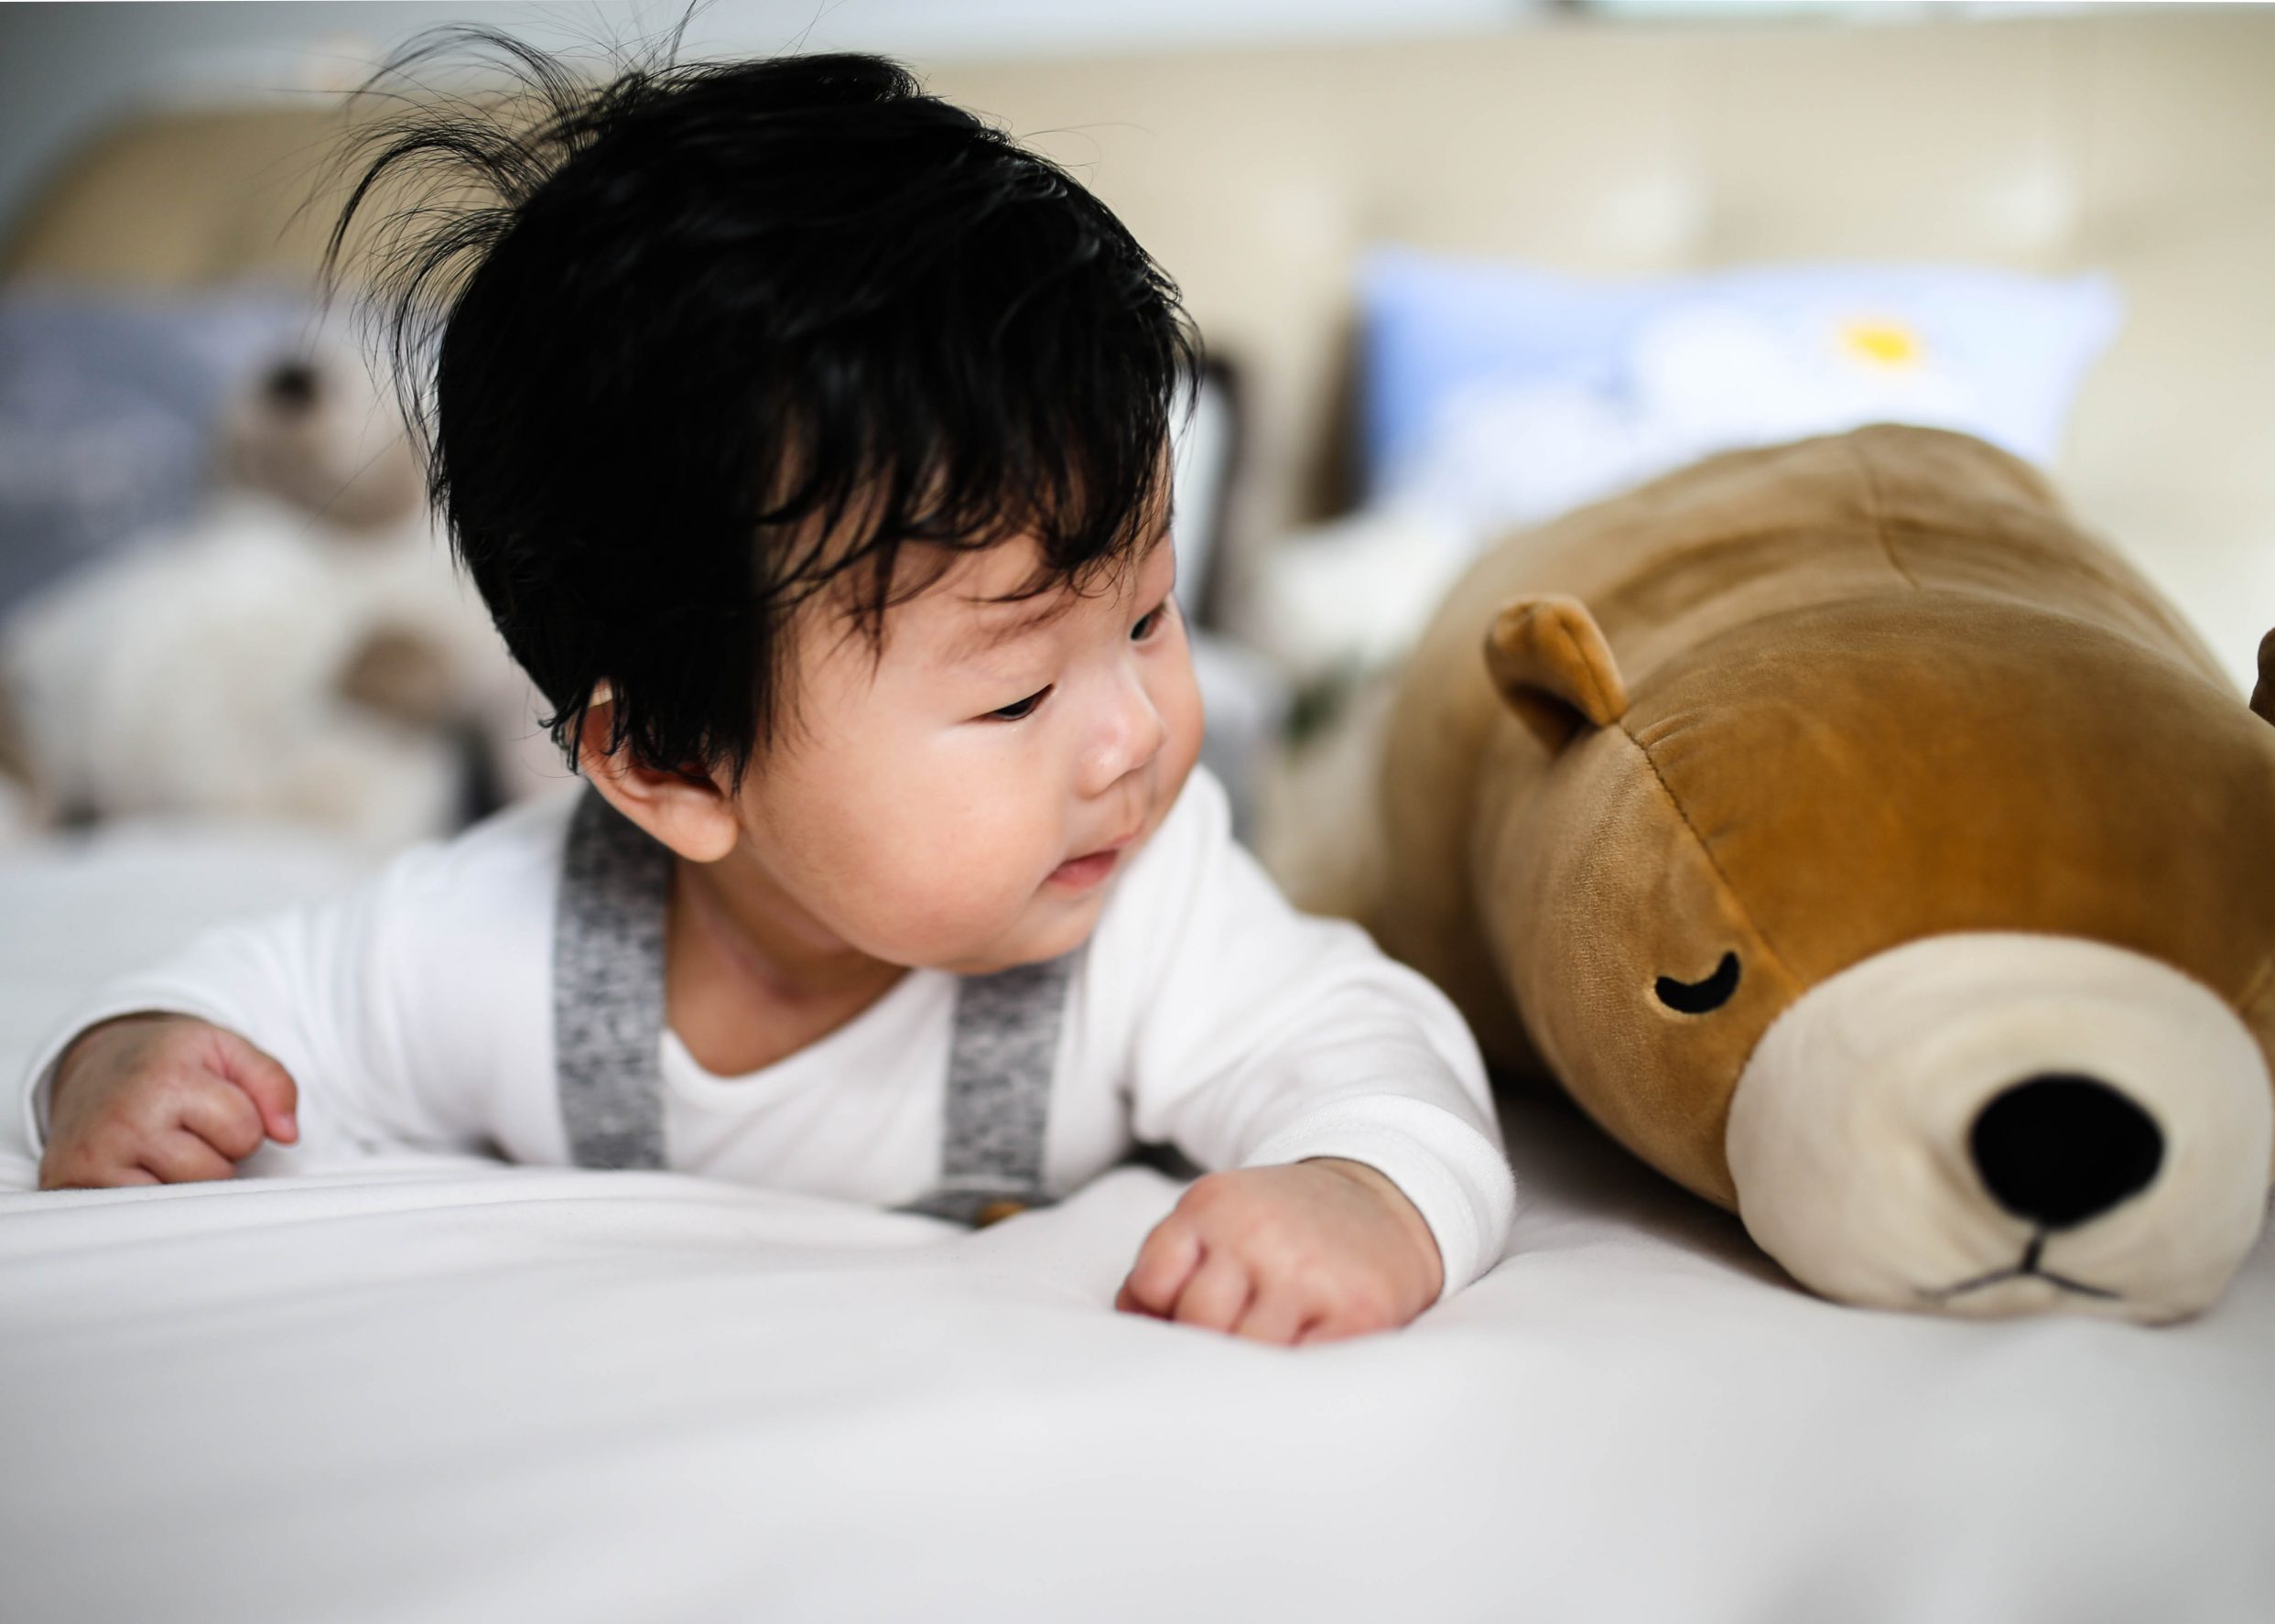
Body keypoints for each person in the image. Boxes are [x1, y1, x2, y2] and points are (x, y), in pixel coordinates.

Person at [19, 37, 1512, 1345]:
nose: (1131, 733)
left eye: (1150, 615)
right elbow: (245, 1005)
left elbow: (1377, 1057)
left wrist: (1359, 1193)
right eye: (1011, 698)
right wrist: (126, 1058)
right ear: (669, 760)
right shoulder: (512, 941)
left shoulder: (1145, 915)